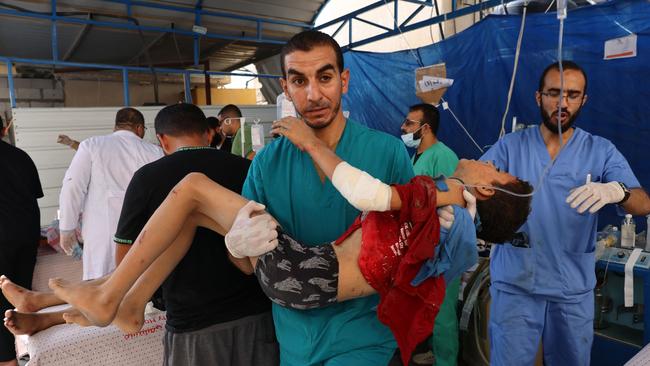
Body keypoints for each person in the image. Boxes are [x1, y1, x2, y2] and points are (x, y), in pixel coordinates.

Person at [41, 119, 531, 363]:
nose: (490, 160)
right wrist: (237, 244)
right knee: (196, 213)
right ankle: (129, 300)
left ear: (486, 188)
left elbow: (369, 194)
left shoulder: (447, 199)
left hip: (309, 276)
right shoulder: (456, 229)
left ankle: (108, 296)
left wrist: (309, 142)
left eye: (498, 169)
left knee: (190, 186)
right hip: (310, 275)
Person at [3, 103, 278, 366]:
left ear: (162, 140)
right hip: (253, 304)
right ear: (210, 132)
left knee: (188, 194)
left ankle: (103, 302)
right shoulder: (248, 169)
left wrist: (68, 232)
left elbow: (125, 258)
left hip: (191, 314)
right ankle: (57, 304)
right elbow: (247, 259)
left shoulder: (147, 175)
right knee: (188, 215)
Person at [239, 29, 415, 365]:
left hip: (365, 337)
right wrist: (236, 245)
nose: (314, 94)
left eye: (325, 77)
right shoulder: (267, 163)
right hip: (295, 341)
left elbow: (409, 248)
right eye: (299, 81)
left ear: (344, 81)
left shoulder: (387, 152)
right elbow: (248, 265)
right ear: (286, 88)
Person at [481, 60, 650, 366]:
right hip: (516, 283)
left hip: (571, 287)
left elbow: (643, 202)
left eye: (573, 95)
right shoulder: (510, 147)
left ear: (583, 100)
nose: (562, 103)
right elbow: (473, 181)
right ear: (538, 96)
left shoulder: (600, 150)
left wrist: (617, 191)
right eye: (554, 93)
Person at [58, 107, 162, 280]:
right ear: (139, 128)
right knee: (139, 283)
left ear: (116, 127)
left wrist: (66, 228)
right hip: (143, 230)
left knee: (99, 285)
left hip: (101, 231)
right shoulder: (155, 152)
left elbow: (72, 186)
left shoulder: (92, 145)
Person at [400, 103, 460, 366]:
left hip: (442, 246)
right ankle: (435, 351)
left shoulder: (442, 155)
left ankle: (447, 360)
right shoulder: (417, 156)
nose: (403, 127)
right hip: (422, 244)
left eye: (409, 123)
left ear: (425, 128)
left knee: (443, 310)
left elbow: (453, 199)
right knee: (427, 306)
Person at [0, 116, 43, 366]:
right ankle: (29, 353)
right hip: (27, 236)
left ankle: (8, 361)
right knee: (20, 300)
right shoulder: (21, 157)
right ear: (4, 129)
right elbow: (33, 196)